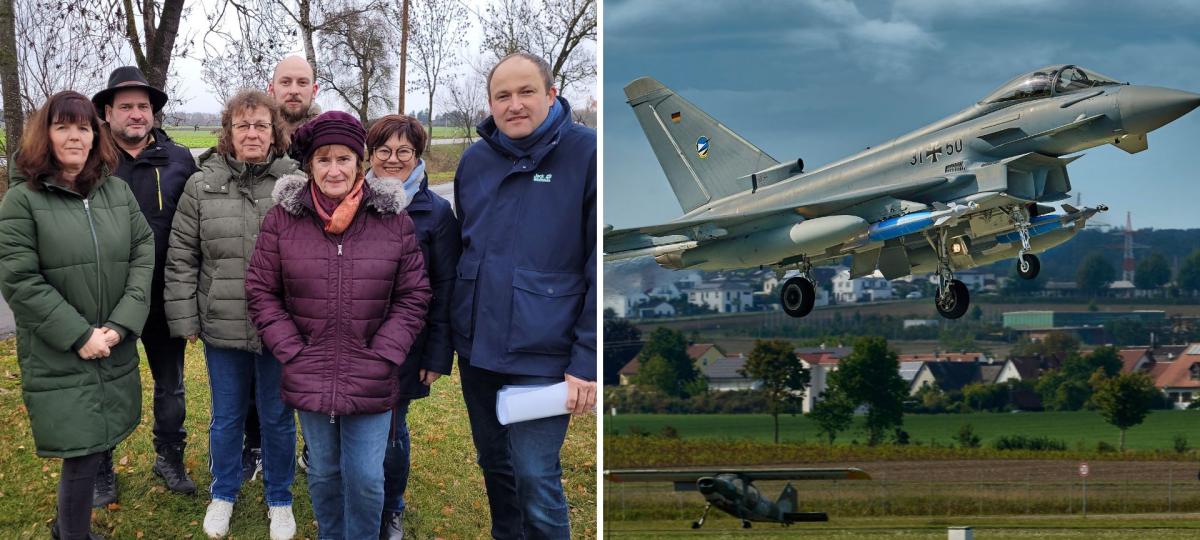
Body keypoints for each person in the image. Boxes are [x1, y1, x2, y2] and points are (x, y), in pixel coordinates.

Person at [246, 111, 432, 540]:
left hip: (371, 371)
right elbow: (261, 290)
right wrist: (292, 349)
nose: (334, 169)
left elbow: (414, 294)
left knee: (366, 478)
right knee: (325, 473)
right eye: (324, 159)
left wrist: (386, 351)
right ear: (309, 165)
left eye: (344, 159)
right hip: (309, 370)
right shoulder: (283, 220)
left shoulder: (391, 219)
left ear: (359, 163)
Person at [451, 52, 596, 539]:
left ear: (551, 94)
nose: (515, 105)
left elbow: (601, 264)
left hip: (544, 352)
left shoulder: (588, 155)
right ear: (490, 103)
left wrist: (588, 359)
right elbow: (464, 248)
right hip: (480, 350)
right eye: (502, 96)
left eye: (526, 92)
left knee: (535, 476)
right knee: (495, 465)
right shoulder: (474, 161)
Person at [0, 91, 155, 540]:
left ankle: (69, 529)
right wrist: (78, 334)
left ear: (95, 135)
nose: (74, 137)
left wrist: (121, 323)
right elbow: (20, 280)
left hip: (110, 340)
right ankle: (72, 534)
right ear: (44, 134)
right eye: (63, 126)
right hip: (62, 348)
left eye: (83, 127)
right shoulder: (22, 200)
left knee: (96, 439)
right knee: (81, 448)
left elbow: (143, 251)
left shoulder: (116, 191)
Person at [163, 89, 300, 540]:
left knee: (278, 416)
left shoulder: (293, 183)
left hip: (279, 328)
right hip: (221, 324)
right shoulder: (202, 184)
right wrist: (185, 319)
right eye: (243, 126)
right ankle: (223, 492)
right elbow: (182, 255)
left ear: (275, 131)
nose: (252, 133)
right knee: (226, 416)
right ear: (229, 132)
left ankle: (280, 498)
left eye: (261, 125)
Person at [88, 65, 199, 504]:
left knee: (170, 385)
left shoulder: (179, 161)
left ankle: (169, 457)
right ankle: (100, 468)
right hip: (107, 300)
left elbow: (195, 228)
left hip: (164, 297)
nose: (136, 114)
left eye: (143, 106)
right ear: (107, 113)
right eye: (126, 106)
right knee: (103, 385)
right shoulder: (91, 164)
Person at [366, 115, 461, 539]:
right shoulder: (350, 200)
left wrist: (438, 352)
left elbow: (445, 287)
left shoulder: (435, 213)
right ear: (370, 155)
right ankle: (359, 498)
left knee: (390, 432)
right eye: (384, 151)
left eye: (404, 151)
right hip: (354, 339)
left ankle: (391, 508)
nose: (393, 160)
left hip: (406, 344)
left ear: (418, 157)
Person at [268, 56, 321, 141]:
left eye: (302, 83)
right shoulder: (251, 140)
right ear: (271, 89)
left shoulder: (330, 143)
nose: (294, 91)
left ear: (314, 91)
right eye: (285, 82)